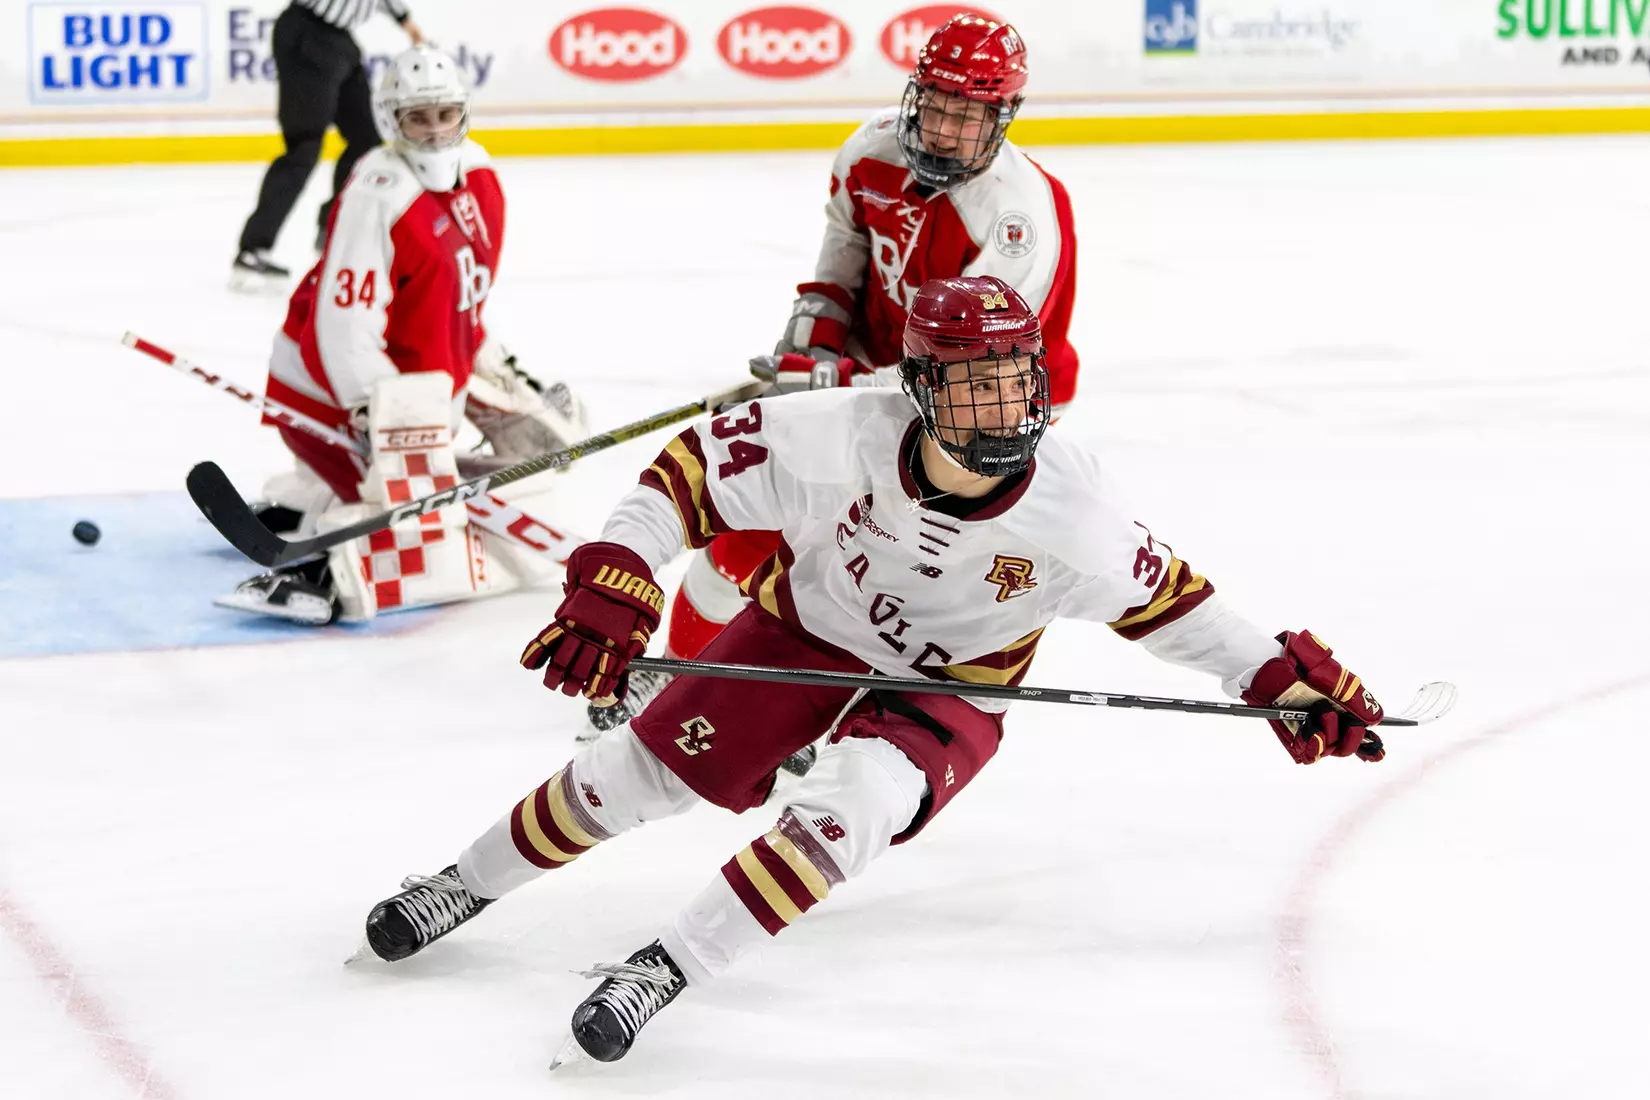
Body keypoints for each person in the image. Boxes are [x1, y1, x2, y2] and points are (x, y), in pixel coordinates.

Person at [356, 275, 1388, 1066]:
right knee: (632, 774)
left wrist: (1278, 680)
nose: (1004, 408)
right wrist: (622, 560)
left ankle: (664, 965)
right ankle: (459, 883)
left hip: (954, 683)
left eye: (1015, 381)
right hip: (813, 624)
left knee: (851, 811)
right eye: (976, 385)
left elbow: (1181, 607)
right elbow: (687, 472)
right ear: (923, 385)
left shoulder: (1078, 514)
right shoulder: (843, 429)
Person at [591, 14, 1080, 742]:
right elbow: (835, 273)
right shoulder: (870, 150)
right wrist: (812, 352)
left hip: (982, 420)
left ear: (1003, 117)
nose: (944, 130)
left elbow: (966, 380)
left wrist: (831, 387)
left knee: (883, 570)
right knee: (748, 534)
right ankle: (681, 684)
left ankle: (834, 711)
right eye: (937, 105)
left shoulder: (1019, 220)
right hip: (876, 374)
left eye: (968, 115)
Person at [217, 46, 587, 626]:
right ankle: (329, 564)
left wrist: (493, 373)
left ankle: (304, 502)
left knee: (544, 444)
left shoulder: (481, 176)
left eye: (446, 114)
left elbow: (459, 302)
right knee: (411, 505)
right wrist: (381, 415)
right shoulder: (378, 191)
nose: (436, 131)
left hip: (419, 386)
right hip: (327, 387)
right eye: (419, 117)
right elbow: (343, 328)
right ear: (393, 120)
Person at [231, 0, 426, 290]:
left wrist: (405, 21)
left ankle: (331, 225)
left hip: (338, 40)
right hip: (307, 33)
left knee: (366, 141)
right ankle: (252, 249)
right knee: (304, 147)